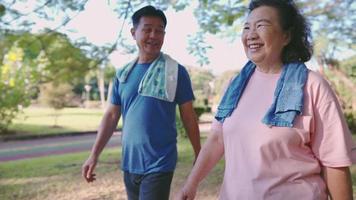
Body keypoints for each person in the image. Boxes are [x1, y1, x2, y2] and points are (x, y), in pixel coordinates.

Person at [175, 0, 354, 199]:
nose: (251, 34)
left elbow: (334, 162)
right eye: (246, 27)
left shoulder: (312, 85)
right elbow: (217, 139)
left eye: (261, 25)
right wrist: (191, 183)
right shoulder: (234, 85)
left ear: (286, 36)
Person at [82, 5, 201, 200]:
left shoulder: (175, 72)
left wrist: (199, 154)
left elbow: (188, 115)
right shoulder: (122, 75)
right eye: (147, 29)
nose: (154, 35)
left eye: (159, 30)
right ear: (133, 32)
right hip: (130, 162)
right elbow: (111, 116)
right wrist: (93, 155)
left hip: (160, 162)